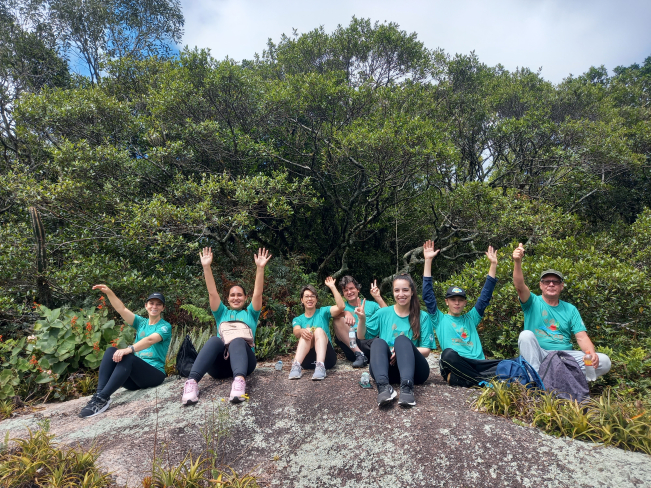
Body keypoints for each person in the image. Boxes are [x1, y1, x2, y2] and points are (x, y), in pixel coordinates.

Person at [182, 247, 272, 406]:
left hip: (245, 363)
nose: (236, 298)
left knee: (237, 340)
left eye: (239, 295)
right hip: (220, 368)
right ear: (228, 299)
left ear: (245, 298)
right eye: (232, 295)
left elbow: (258, 293)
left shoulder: (251, 313)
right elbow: (212, 293)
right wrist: (206, 267)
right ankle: (192, 383)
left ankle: (239, 383)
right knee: (214, 340)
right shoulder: (221, 313)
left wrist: (260, 268)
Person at [512, 243, 611, 379]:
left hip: (564, 357)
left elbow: (581, 337)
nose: (551, 284)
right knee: (525, 336)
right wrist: (517, 262)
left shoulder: (570, 309)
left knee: (604, 361)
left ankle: (563, 380)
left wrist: (591, 354)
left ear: (561, 286)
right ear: (541, 285)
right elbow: (519, 286)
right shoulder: (532, 302)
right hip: (540, 355)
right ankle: (535, 381)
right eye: (547, 281)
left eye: (556, 282)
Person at [79, 286, 172, 418]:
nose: (154, 307)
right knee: (111, 350)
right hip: (134, 381)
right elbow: (121, 309)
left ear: (163, 308)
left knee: (129, 357)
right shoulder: (141, 323)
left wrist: (129, 349)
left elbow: (150, 340)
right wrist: (109, 292)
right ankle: (100, 397)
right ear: (146, 305)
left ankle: (103, 397)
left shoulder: (165, 326)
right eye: (151, 303)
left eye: (158, 304)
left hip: (154, 375)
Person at [422, 240, 502, 387]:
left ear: (465, 303)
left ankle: (467, 380)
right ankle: (483, 381)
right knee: (447, 355)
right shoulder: (439, 319)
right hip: (456, 363)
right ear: (446, 302)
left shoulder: (471, 318)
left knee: (508, 363)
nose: (457, 303)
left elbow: (485, 297)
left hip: (477, 363)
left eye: (460, 300)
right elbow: (428, 296)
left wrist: (493, 265)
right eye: (453, 300)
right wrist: (428, 261)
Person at [356, 275, 435, 407]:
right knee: (378, 342)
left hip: (415, 372)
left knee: (402, 341)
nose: (401, 294)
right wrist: (362, 319)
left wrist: (402, 351)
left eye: (405, 290)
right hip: (389, 370)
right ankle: (383, 388)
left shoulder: (423, 316)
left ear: (412, 292)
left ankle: (407, 389)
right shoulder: (383, 313)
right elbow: (361, 336)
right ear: (393, 292)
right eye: (397, 290)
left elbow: (426, 350)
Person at [288, 277, 345, 380]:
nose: (310, 299)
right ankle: (296, 366)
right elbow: (296, 331)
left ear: (316, 299)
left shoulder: (323, 312)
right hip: (307, 360)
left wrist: (332, 287)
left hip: (327, 359)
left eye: (312, 296)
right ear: (302, 300)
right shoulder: (298, 319)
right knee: (307, 331)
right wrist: (301, 331)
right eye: (306, 296)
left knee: (318, 330)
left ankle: (320, 366)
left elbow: (341, 307)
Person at [332, 276, 387, 368]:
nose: (349, 292)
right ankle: (359, 354)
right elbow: (330, 315)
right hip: (351, 345)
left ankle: (367, 356)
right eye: (345, 290)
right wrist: (346, 313)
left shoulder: (371, 305)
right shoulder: (341, 307)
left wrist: (378, 297)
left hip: (370, 342)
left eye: (351, 288)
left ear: (358, 289)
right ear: (343, 294)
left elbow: (387, 315)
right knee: (337, 319)